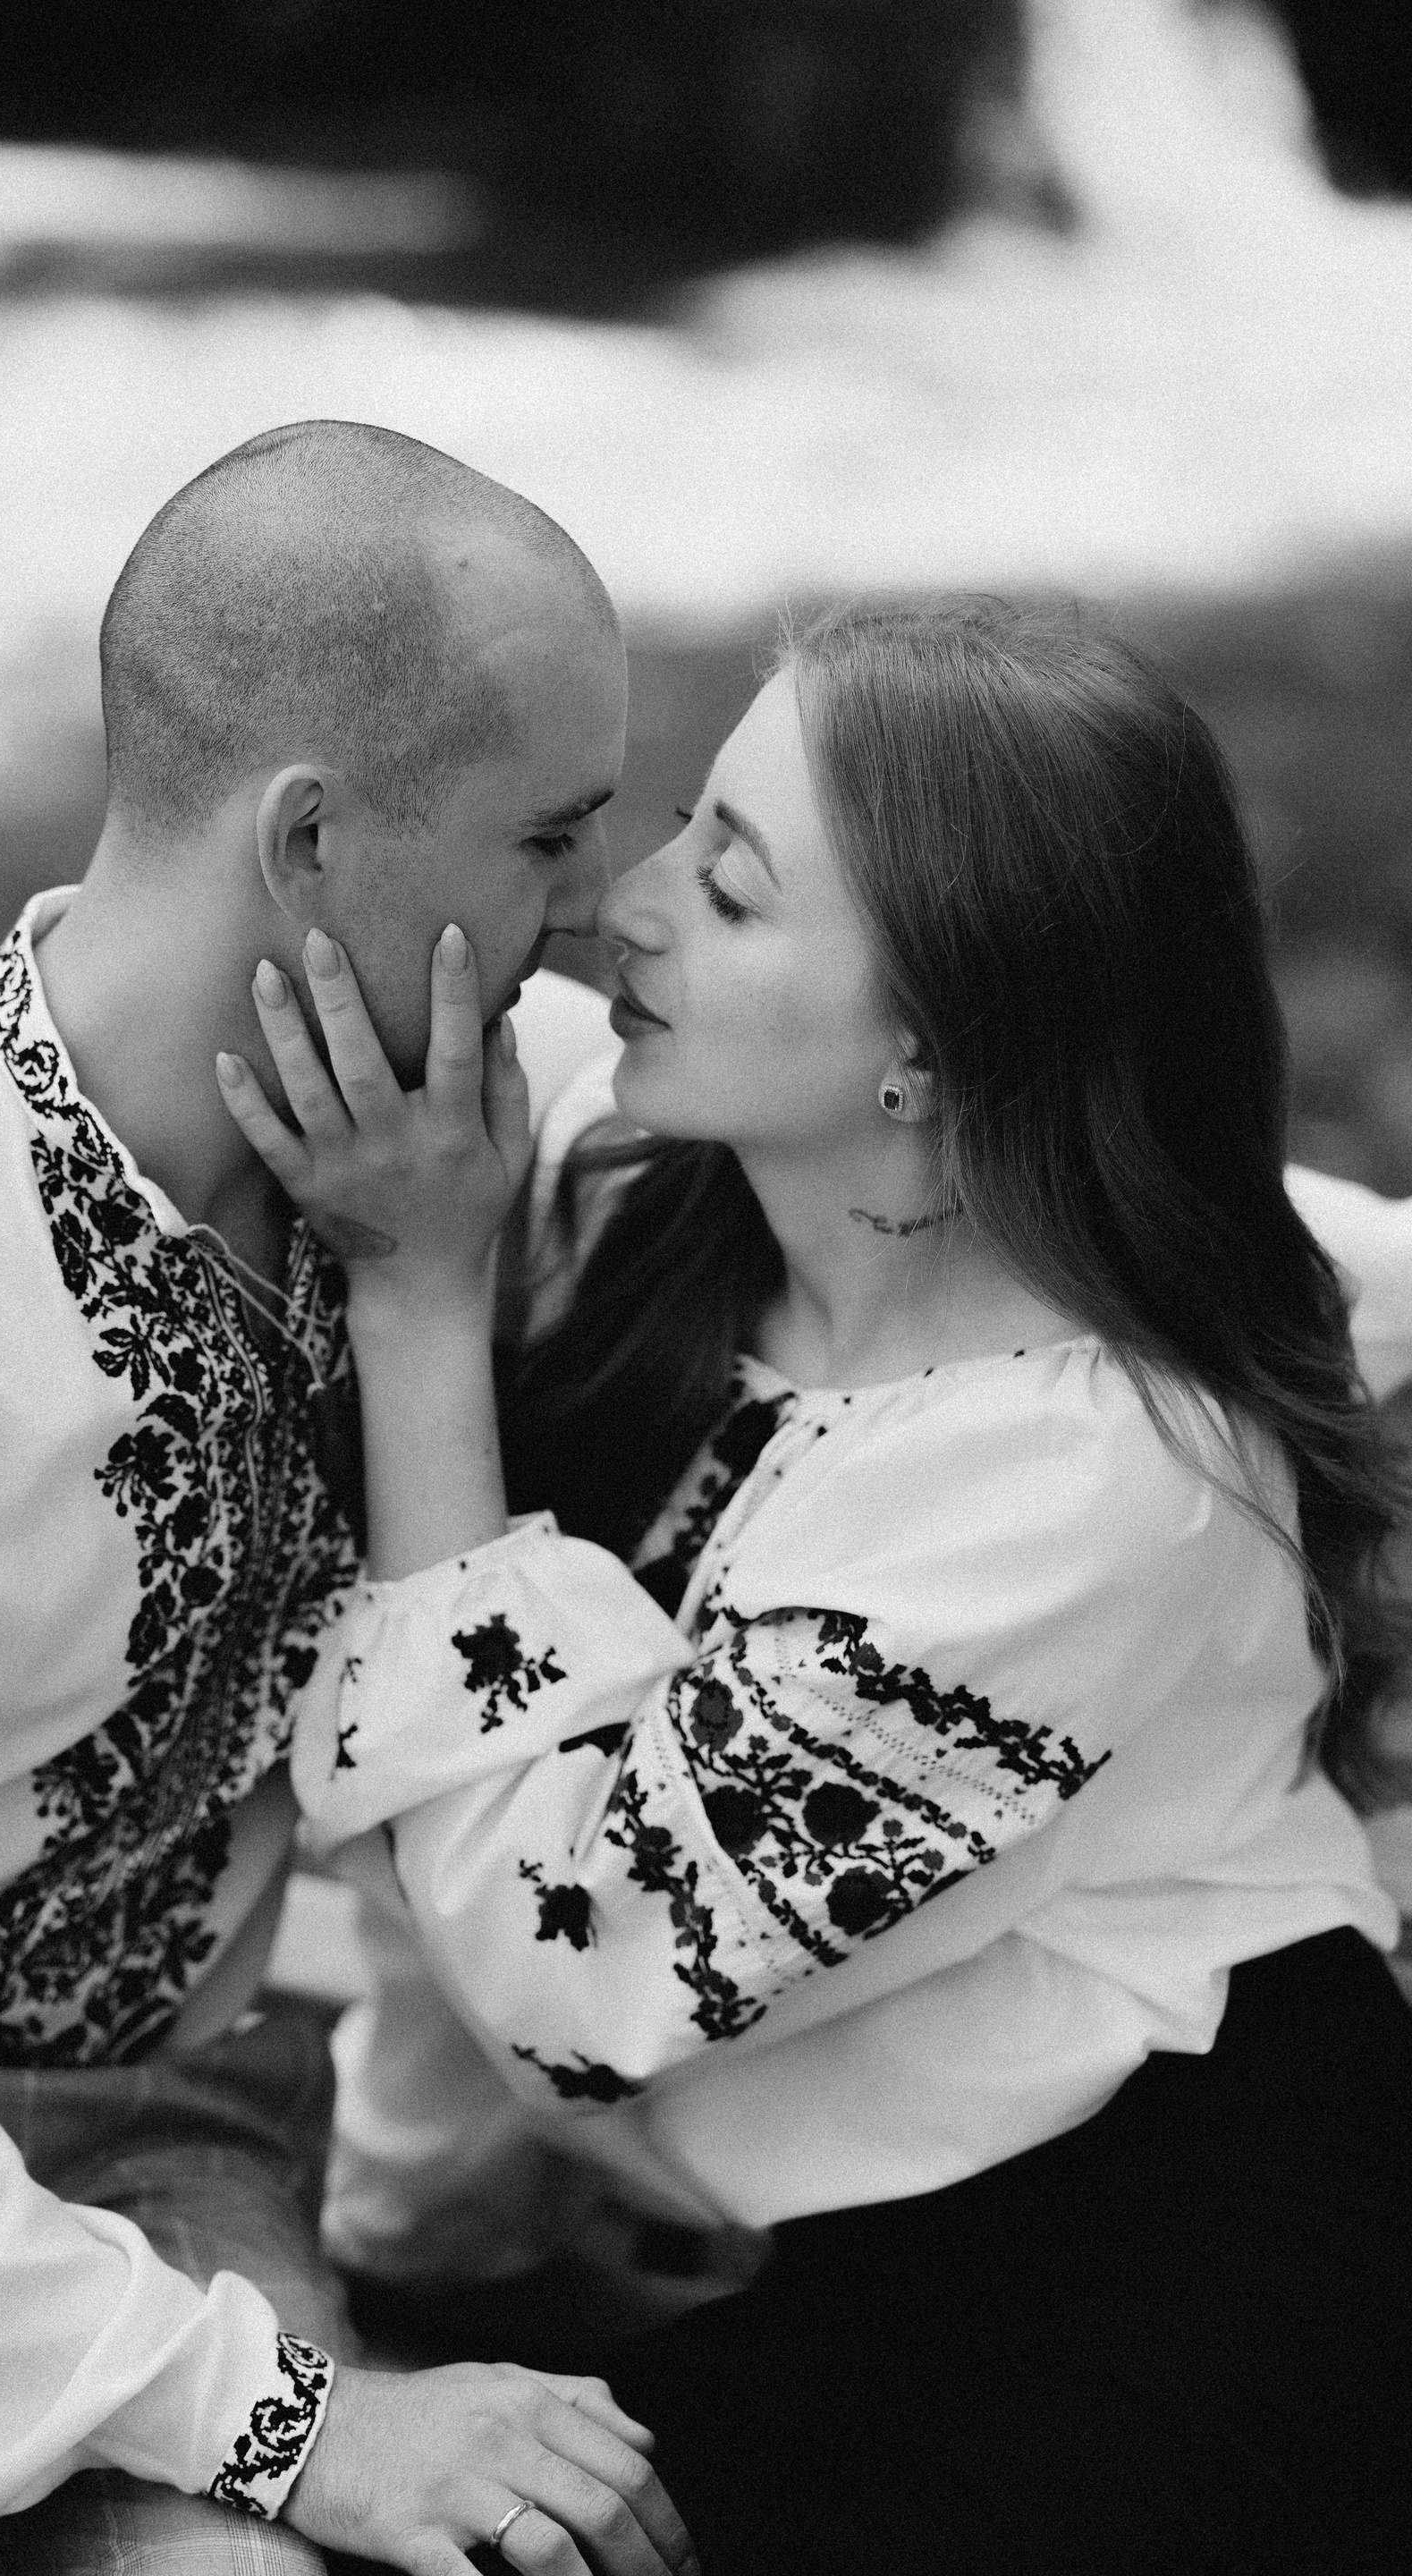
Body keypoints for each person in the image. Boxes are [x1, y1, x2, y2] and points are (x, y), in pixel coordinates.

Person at [217, 598, 1412, 2574]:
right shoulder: (680, 1176)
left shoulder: (1081, 1483)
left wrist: (416, 1305)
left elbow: (569, 1974)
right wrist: (417, 2244)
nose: (622, 907)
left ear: (932, 1050)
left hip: (1180, 2279)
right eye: (692, 822)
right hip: (838, 2260)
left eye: (733, 889)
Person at [0, 420, 697, 2576]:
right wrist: (305, 2427)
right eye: (551, 834)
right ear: (310, 839)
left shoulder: (476, 1137)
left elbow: (1016, 1155)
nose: (598, 909)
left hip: (151, 2148)